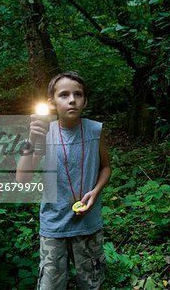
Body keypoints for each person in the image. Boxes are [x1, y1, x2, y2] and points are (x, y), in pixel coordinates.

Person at [16, 71, 111, 289]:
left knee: (91, 283)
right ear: (51, 102)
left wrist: (95, 192)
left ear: (85, 100)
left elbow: (105, 167)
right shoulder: (42, 132)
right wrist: (31, 139)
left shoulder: (95, 130)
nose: (71, 100)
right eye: (64, 95)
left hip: (87, 223)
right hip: (54, 225)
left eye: (78, 94)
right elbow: (22, 179)